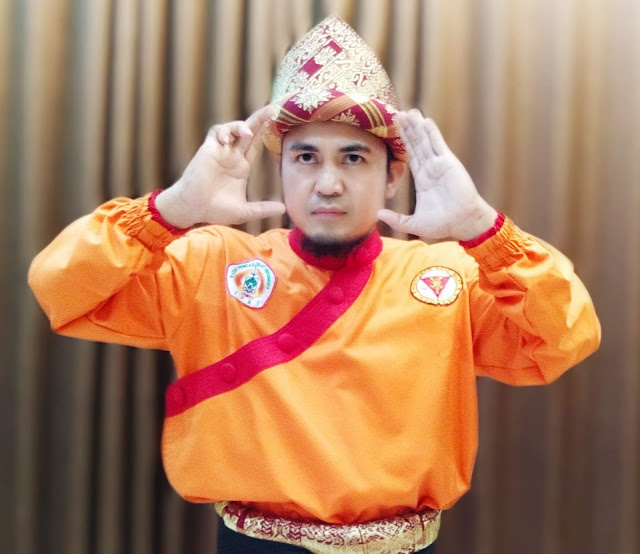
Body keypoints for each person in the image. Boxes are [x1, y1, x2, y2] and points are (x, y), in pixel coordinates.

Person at [28, 16, 600, 554]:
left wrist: (483, 230)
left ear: (392, 176)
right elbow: (62, 288)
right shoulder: (210, 263)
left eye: (353, 158)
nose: (328, 184)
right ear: (280, 169)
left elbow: (564, 338)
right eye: (305, 157)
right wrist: (172, 209)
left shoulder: (451, 276)